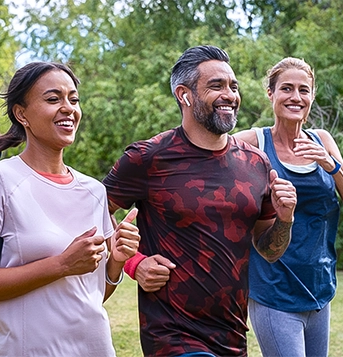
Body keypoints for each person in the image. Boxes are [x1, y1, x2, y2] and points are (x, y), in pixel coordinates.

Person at [102, 45, 297, 357]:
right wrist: (134, 263)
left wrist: (285, 218)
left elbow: (269, 250)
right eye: (216, 86)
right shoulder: (148, 158)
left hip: (232, 336)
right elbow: (93, 210)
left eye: (233, 86)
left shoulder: (257, 163)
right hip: (171, 335)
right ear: (184, 94)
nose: (230, 95)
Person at [0, 61, 141, 357]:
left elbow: (91, 295)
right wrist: (62, 264)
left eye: (74, 99)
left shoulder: (94, 191)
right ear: (21, 114)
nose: (68, 108)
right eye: (53, 99)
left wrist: (115, 261)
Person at [233, 57, 343, 357]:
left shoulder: (323, 141)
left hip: (319, 291)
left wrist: (331, 165)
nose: (296, 97)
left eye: (304, 90)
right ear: (271, 94)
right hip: (274, 293)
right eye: (286, 88)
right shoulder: (253, 142)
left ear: (312, 96)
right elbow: (206, 155)